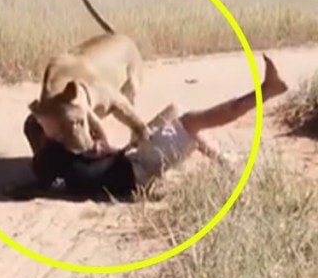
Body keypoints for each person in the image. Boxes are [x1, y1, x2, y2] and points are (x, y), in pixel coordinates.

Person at [22, 54, 290, 200]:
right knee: (193, 122)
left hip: (130, 158)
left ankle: (224, 160)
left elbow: (54, 175)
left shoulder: (60, 154)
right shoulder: (56, 155)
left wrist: (113, 149)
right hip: (139, 167)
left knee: (175, 110)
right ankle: (266, 91)